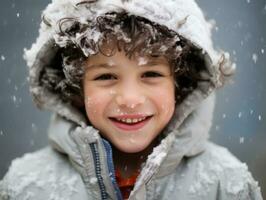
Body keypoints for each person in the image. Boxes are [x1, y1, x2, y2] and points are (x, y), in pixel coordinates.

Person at [0, 0, 263, 199]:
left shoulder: (225, 182)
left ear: (180, 83)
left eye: (151, 73)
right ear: (76, 88)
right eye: (106, 77)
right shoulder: (26, 185)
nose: (130, 99)